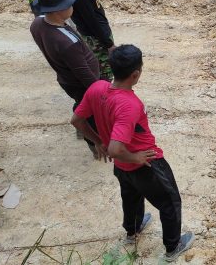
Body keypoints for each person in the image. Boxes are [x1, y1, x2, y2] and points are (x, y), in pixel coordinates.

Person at [70, 45, 195, 262]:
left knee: (130, 195)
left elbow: (77, 120)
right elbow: (116, 149)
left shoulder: (97, 88)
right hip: (144, 162)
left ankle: (133, 230)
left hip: (122, 167)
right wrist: (136, 157)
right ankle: (173, 247)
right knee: (170, 201)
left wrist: (98, 140)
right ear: (135, 74)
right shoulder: (129, 104)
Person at [29, 0, 100, 156]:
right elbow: (83, 72)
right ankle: (94, 143)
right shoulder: (67, 43)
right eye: (69, 4)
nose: (72, 6)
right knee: (91, 111)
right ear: (57, 10)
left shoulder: (37, 23)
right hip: (81, 83)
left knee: (81, 103)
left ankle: (82, 123)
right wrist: (100, 91)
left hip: (66, 79)